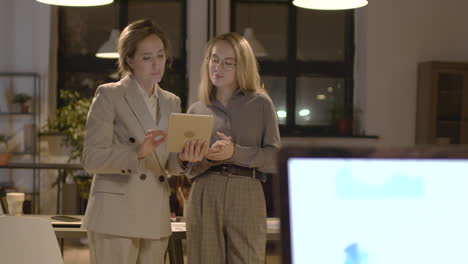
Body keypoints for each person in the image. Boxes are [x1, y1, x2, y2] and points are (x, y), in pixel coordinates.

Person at [81, 19, 183, 264]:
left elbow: (169, 164)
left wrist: (185, 158)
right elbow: (91, 159)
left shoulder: (172, 102)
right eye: (147, 57)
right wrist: (137, 151)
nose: (157, 64)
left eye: (160, 55)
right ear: (129, 60)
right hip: (115, 216)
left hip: (155, 216)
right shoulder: (109, 95)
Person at [178, 32, 281, 264]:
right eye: (214, 59)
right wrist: (191, 159)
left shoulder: (261, 103)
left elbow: (274, 158)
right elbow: (190, 170)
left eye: (228, 62)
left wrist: (234, 152)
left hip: (247, 191)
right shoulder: (196, 109)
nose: (218, 67)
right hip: (204, 192)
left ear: (242, 66)